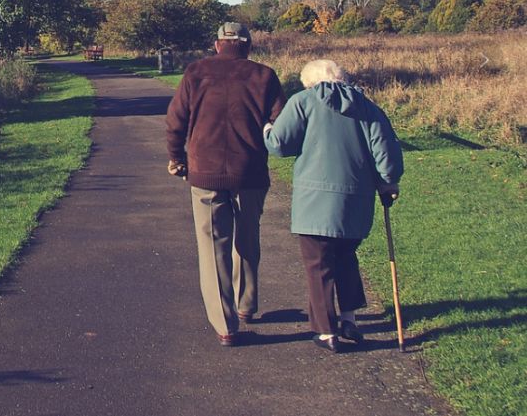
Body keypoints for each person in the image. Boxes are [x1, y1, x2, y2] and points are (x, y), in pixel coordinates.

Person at [263, 59, 404, 353]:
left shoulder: (303, 102)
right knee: (346, 257)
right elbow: (386, 155)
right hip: (356, 201)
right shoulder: (368, 107)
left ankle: (326, 331)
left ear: (309, 82)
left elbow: (279, 144)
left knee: (319, 264)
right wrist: (388, 182)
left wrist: (266, 129)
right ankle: (349, 318)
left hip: (314, 202)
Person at [165, 22, 286, 346]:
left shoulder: (195, 72)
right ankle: (246, 305)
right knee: (247, 239)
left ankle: (226, 325)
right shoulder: (264, 76)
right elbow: (280, 123)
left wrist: (177, 158)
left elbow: (175, 121)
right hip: (250, 172)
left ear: (217, 44)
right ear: (247, 45)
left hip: (205, 172)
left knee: (212, 248)